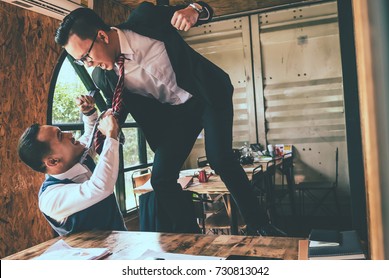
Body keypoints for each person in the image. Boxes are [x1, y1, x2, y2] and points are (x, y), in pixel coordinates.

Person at [54, 1, 286, 236]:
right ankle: (192, 238)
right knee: (161, 179)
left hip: (206, 94)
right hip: (178, 115)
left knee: (220, 159)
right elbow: (118, 110)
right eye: (80, 62)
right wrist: (97, 116)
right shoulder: (104, 77)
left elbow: (199, 10)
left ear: (102, 36)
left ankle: (262, 226)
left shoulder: (144, 18)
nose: (88, 64)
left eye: (86, 56)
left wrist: (194, 10)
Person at [17, 95, 127, 236]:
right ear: (53, 161)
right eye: (61, 136)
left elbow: (90, 135)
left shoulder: (78, 156)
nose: (70, 134)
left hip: (123, 242)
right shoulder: (50, 199)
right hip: (91, 256)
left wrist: (88, 113)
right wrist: (112, 134)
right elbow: (100, 187)